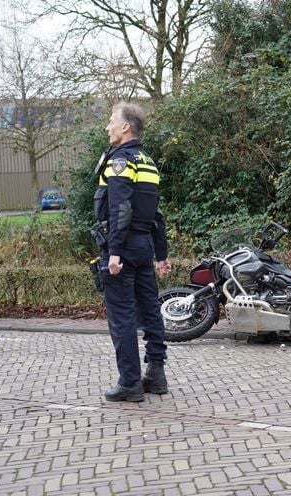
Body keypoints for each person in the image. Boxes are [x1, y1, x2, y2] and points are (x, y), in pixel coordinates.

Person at [94, 102, 172, 402]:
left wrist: (114, 252)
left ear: (126, 127)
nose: (108, 126)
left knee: (122, 316)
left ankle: (129, 382)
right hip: (144, 246)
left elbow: (120, 208)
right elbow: (157, 214)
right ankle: (156, 374)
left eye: (112, 121)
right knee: (150, 310)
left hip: (122, 248)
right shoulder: (148, 162)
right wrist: (161, 255)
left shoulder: (121, 161)